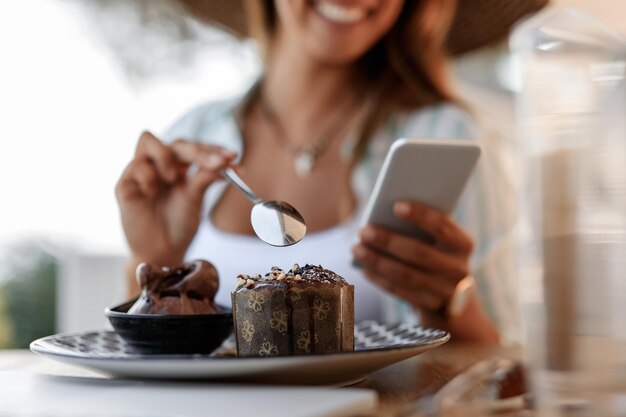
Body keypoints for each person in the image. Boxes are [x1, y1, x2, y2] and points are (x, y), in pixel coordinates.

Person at [115, 0, 546, 344]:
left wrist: (447, 303)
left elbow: (501, 366)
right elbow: (143, 359)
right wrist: (154, 260)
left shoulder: (448, 138)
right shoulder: (192, 135)